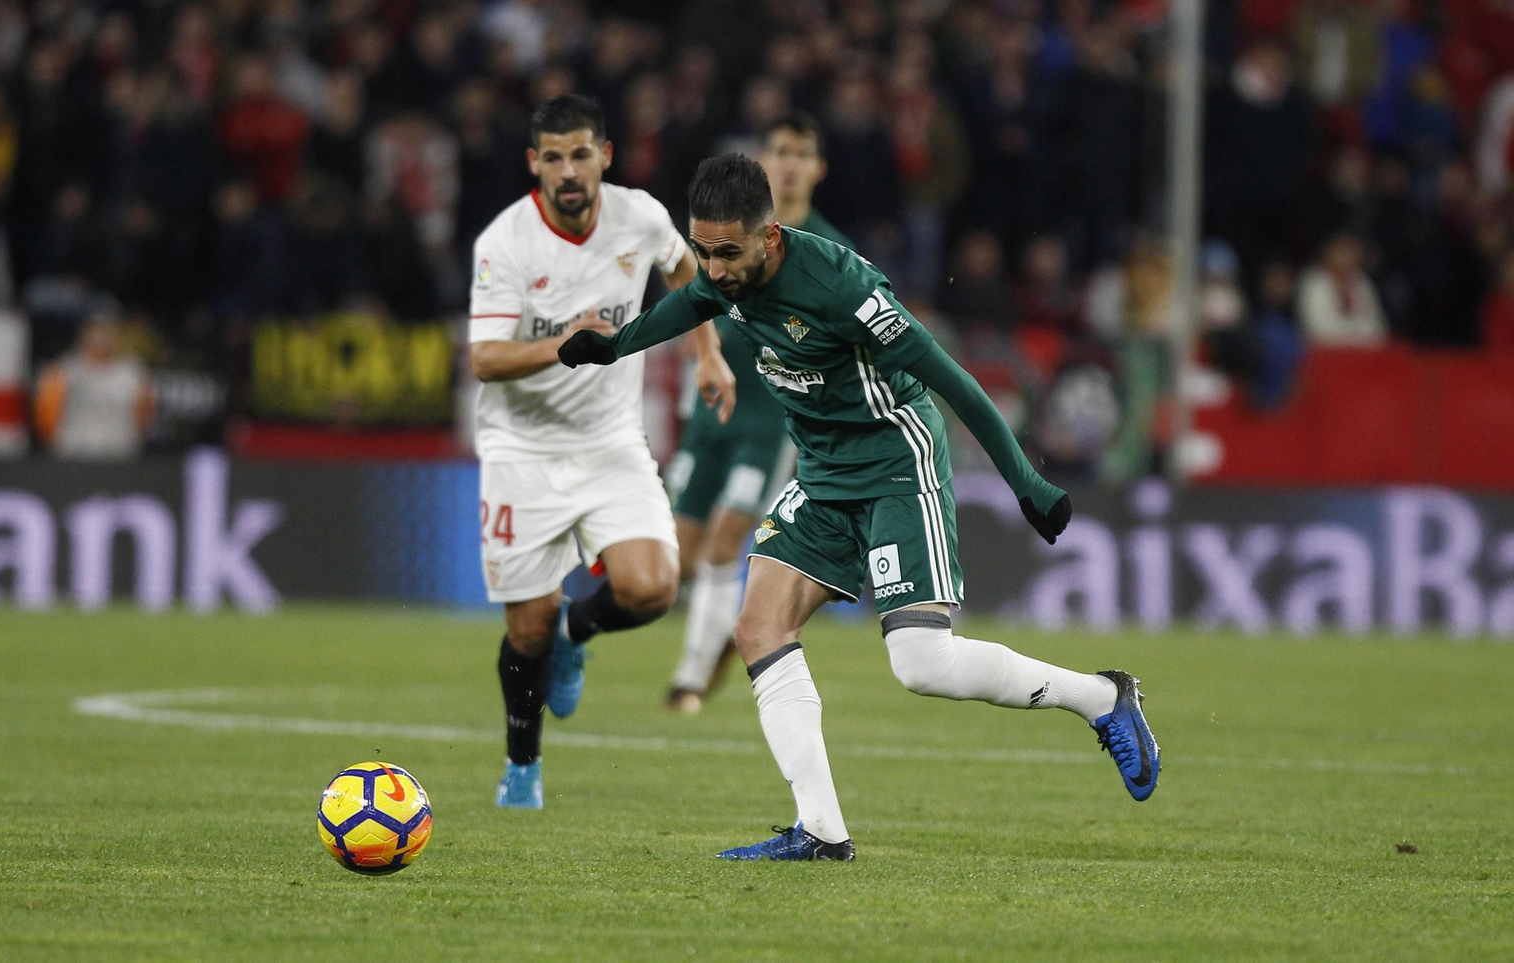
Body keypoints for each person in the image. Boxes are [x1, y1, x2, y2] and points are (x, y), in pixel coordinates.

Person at [560, 154, 1159, 860]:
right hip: (821, 470)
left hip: (893, 461)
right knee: (758, 626)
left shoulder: (842, 286)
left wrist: (1027, 482)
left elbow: (955, 382)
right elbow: (692, 301)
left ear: (770, 237)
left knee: (921, 663)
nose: (715, 269)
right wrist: (613, 345)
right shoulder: (727, 276)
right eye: (703, 251)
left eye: (728, 253)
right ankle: (820, 829)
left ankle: (1100, 696)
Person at [468, 95, 734, 810]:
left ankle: (576, 630)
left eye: (580, 153)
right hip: (521, 449)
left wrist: (708, 355)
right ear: (534, 164)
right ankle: (522, 764)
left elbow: (690, 273)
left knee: (652, 586)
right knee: (524, 626)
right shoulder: (506, 242)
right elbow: (485, 358)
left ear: (605, 157)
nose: (568, 170)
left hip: (611, 439)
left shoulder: (640, 216)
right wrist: (564, 343)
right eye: (552, 157)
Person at [663, 112, 854, 715]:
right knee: (680, 554)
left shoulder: (829, 252)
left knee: (725, 543)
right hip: (711, 411)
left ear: (817, 169)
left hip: (771, 423)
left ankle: (689, 684)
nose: (790, 163)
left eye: (802, 152)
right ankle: (712, 650)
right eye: (780, 150)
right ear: (765, 161)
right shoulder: (731, 229)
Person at [33, 314, 154, 461]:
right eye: (96, 332)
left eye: (107, 332)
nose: (102, 338)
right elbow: (45, 418)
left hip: (121, 455)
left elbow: (145, 418)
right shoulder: (63, 370)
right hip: (73, 454)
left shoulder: (133, 372)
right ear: (84, 335)